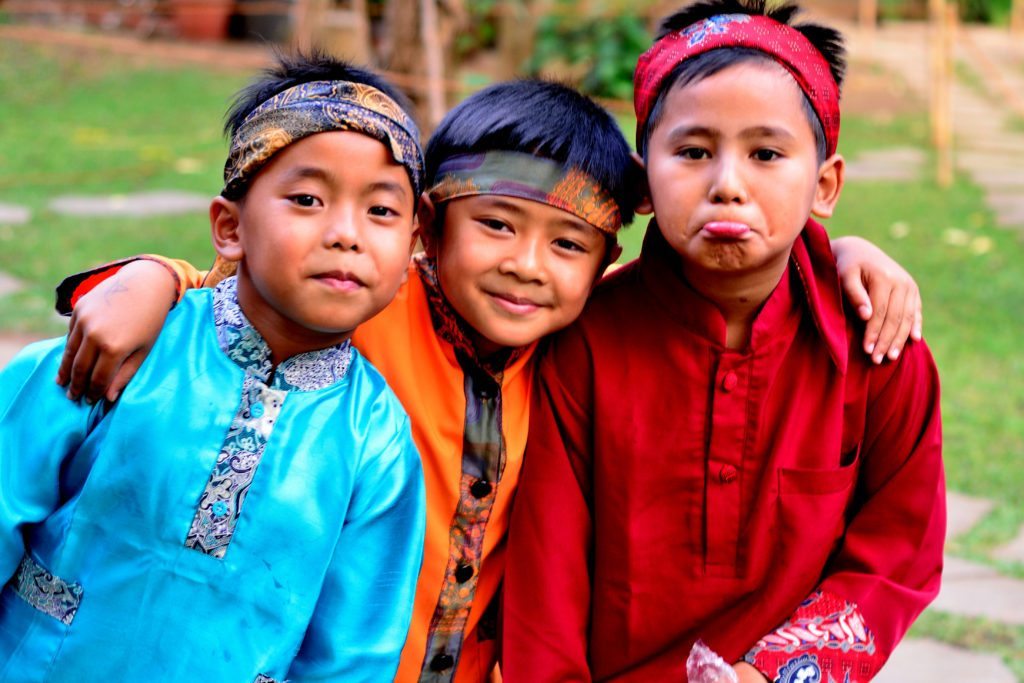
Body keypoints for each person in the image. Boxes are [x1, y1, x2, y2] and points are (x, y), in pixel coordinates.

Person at [51, 79, 922, 683]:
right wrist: (151, 275)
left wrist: (840, 251)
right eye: (496, 225)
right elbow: (249, 288)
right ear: (429, 228)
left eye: (567, 245)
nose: (526, 267)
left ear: (603, 265)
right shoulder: (369, 305)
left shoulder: (577, 349)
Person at [500, 2, 945, 683]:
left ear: (824, 184)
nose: (727, 184)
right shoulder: (582, 345)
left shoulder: (878, 349)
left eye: (766, 153)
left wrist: (772, 673)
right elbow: (546, 588)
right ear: (642, 179)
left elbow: (896, 555)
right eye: (693, 152)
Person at [0, 53, 426, 682]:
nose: (346, 233)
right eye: (307, 198)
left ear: (410, 256)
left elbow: (352, 655)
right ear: (230, 228)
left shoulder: (378, 442)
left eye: (381, 211)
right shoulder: (123, 347)